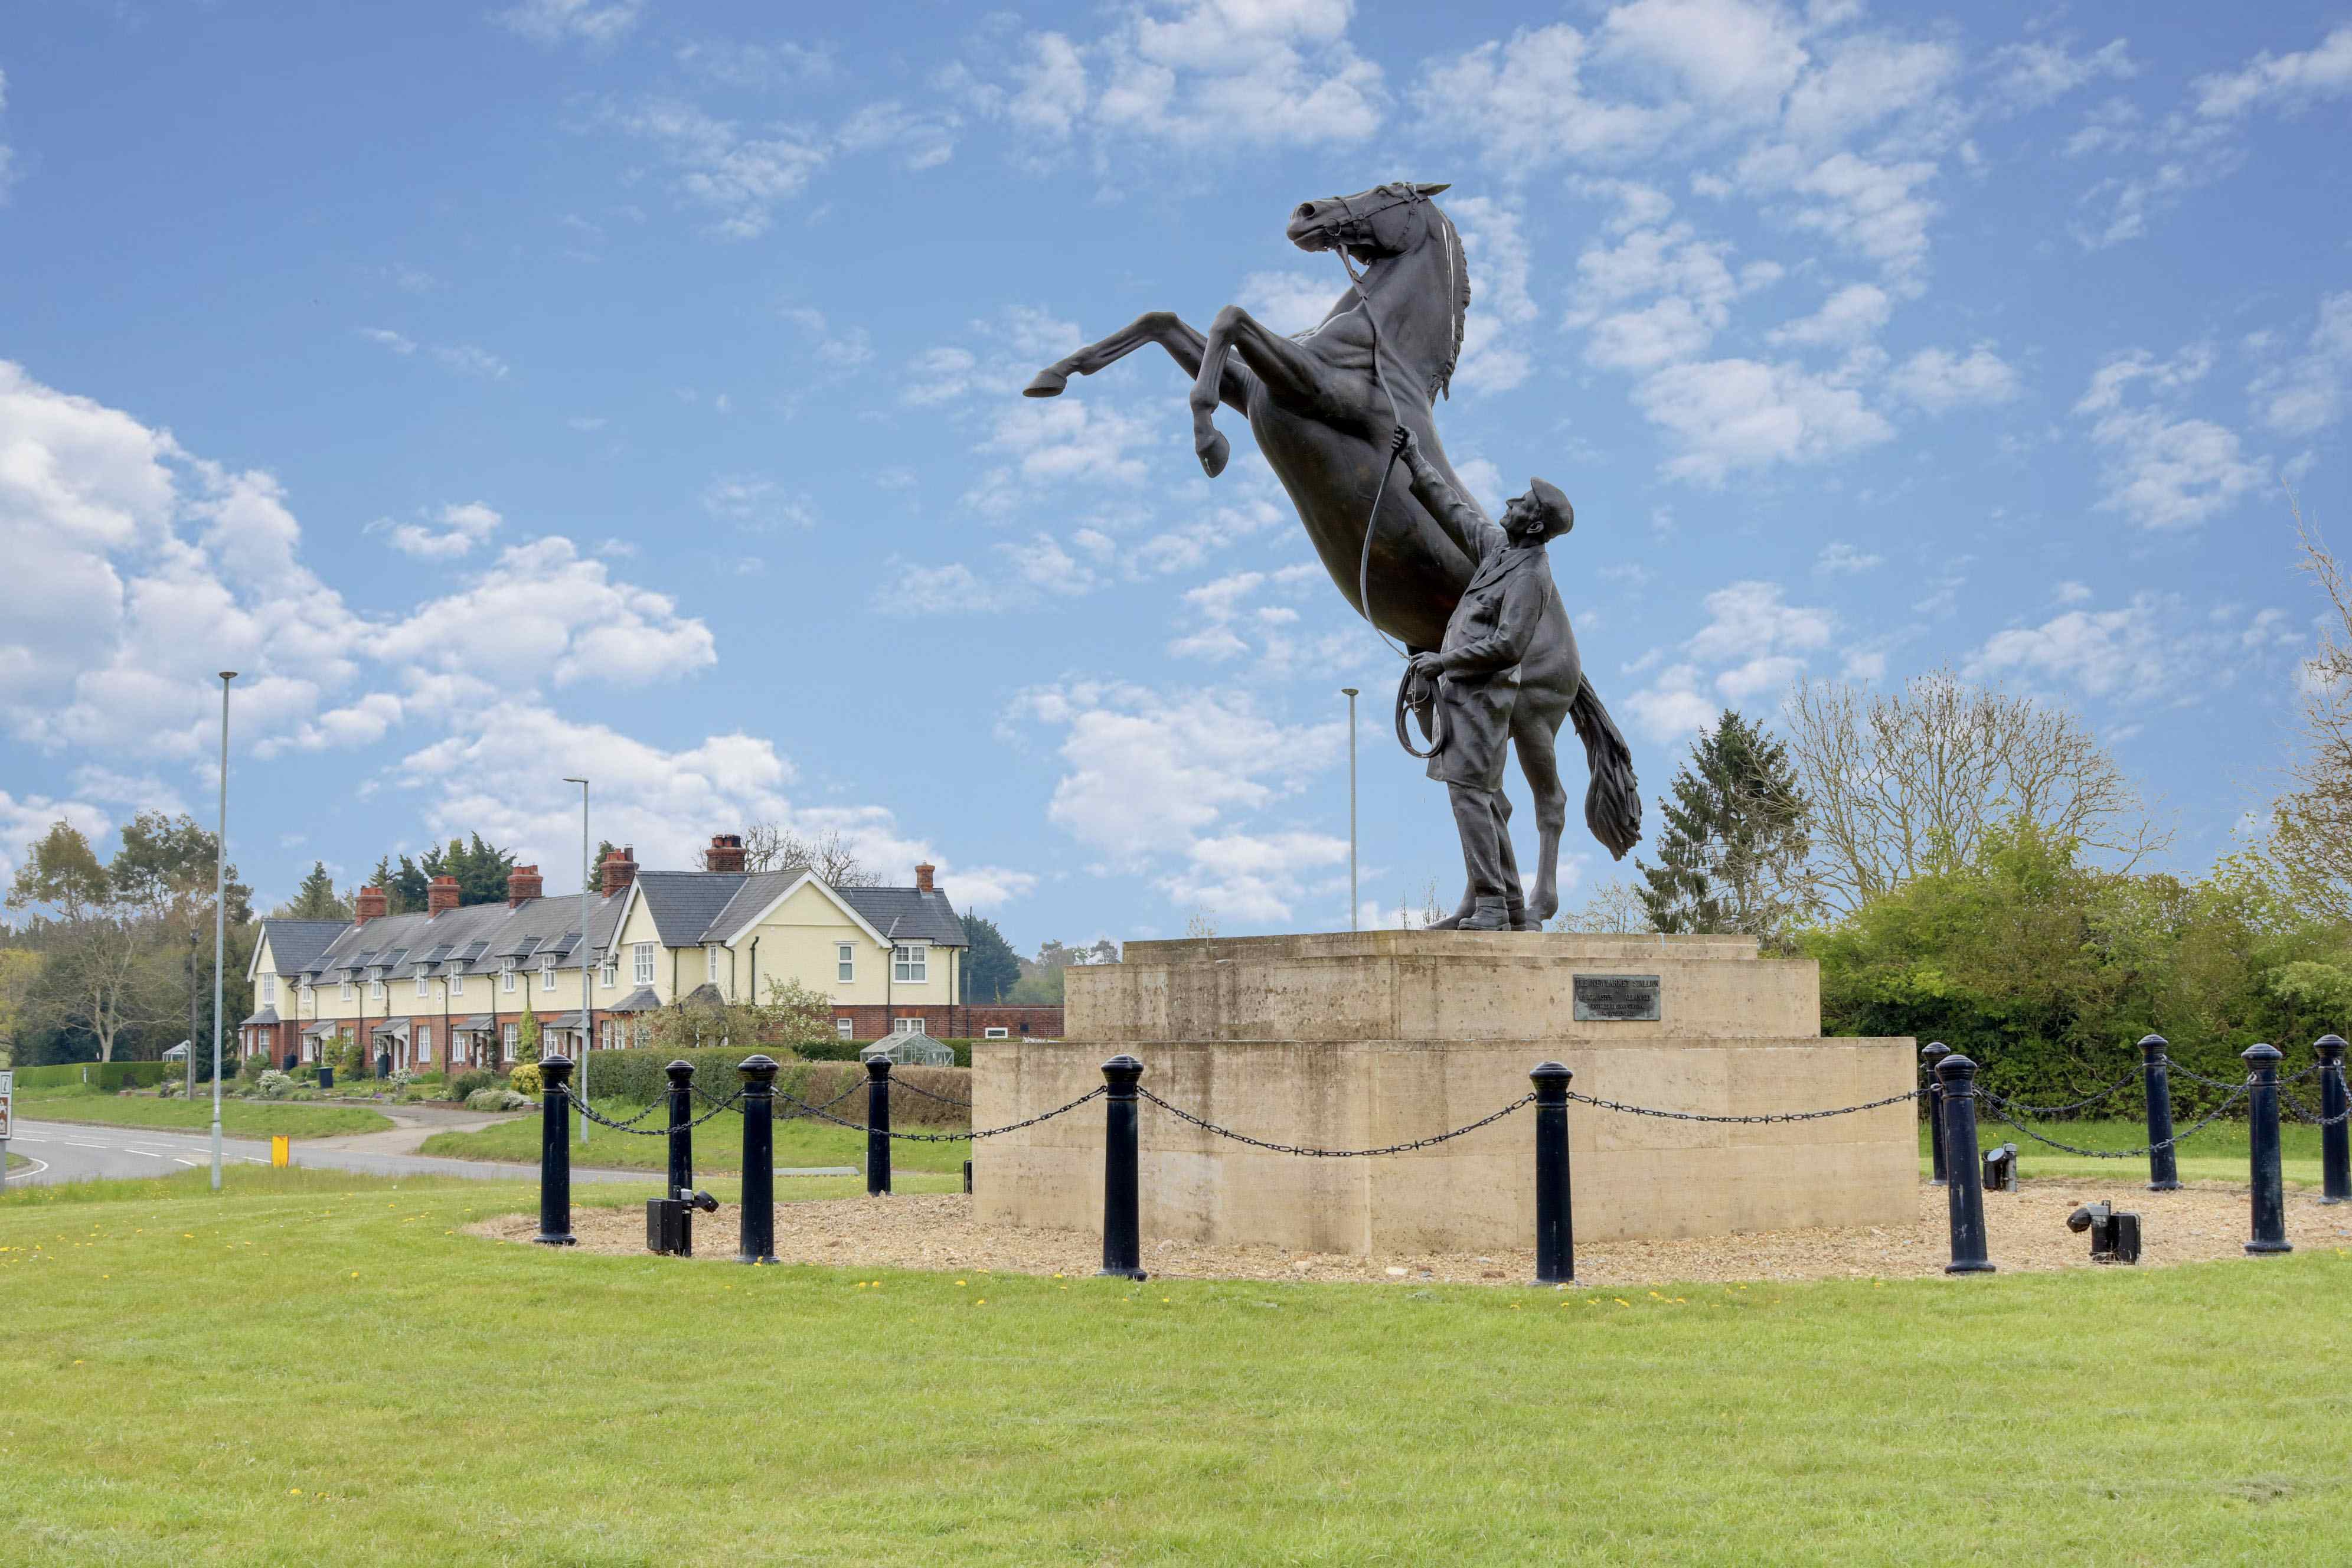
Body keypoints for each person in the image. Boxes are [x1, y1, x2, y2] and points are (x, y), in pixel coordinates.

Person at [1391, 426, 1575, 931]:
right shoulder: (1500, 550)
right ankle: (1510, 904)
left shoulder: (1530, 575)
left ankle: (1491, 905)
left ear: (1534, 524)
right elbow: (1455, 512)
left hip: (1482, 698)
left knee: (1470, 797)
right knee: (1485, 798)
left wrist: (1444, 662)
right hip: (1463, 696)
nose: (1511, 502)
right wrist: (1414, 459)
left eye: (1522, 502)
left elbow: (1510, 645)